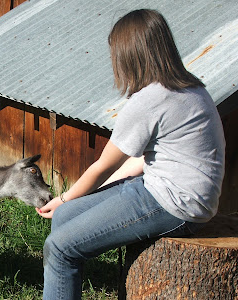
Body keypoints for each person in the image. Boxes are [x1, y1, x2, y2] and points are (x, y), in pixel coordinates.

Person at [36, 9, 225, 300]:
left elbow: (102, 167)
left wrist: (62, 198)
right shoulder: (191, 88)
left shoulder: (150, 100)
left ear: (129, 56)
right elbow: (136, 164)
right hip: (170, 189)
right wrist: (69, 206)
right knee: (66, 218)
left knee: (59, 248)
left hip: (178, 204)